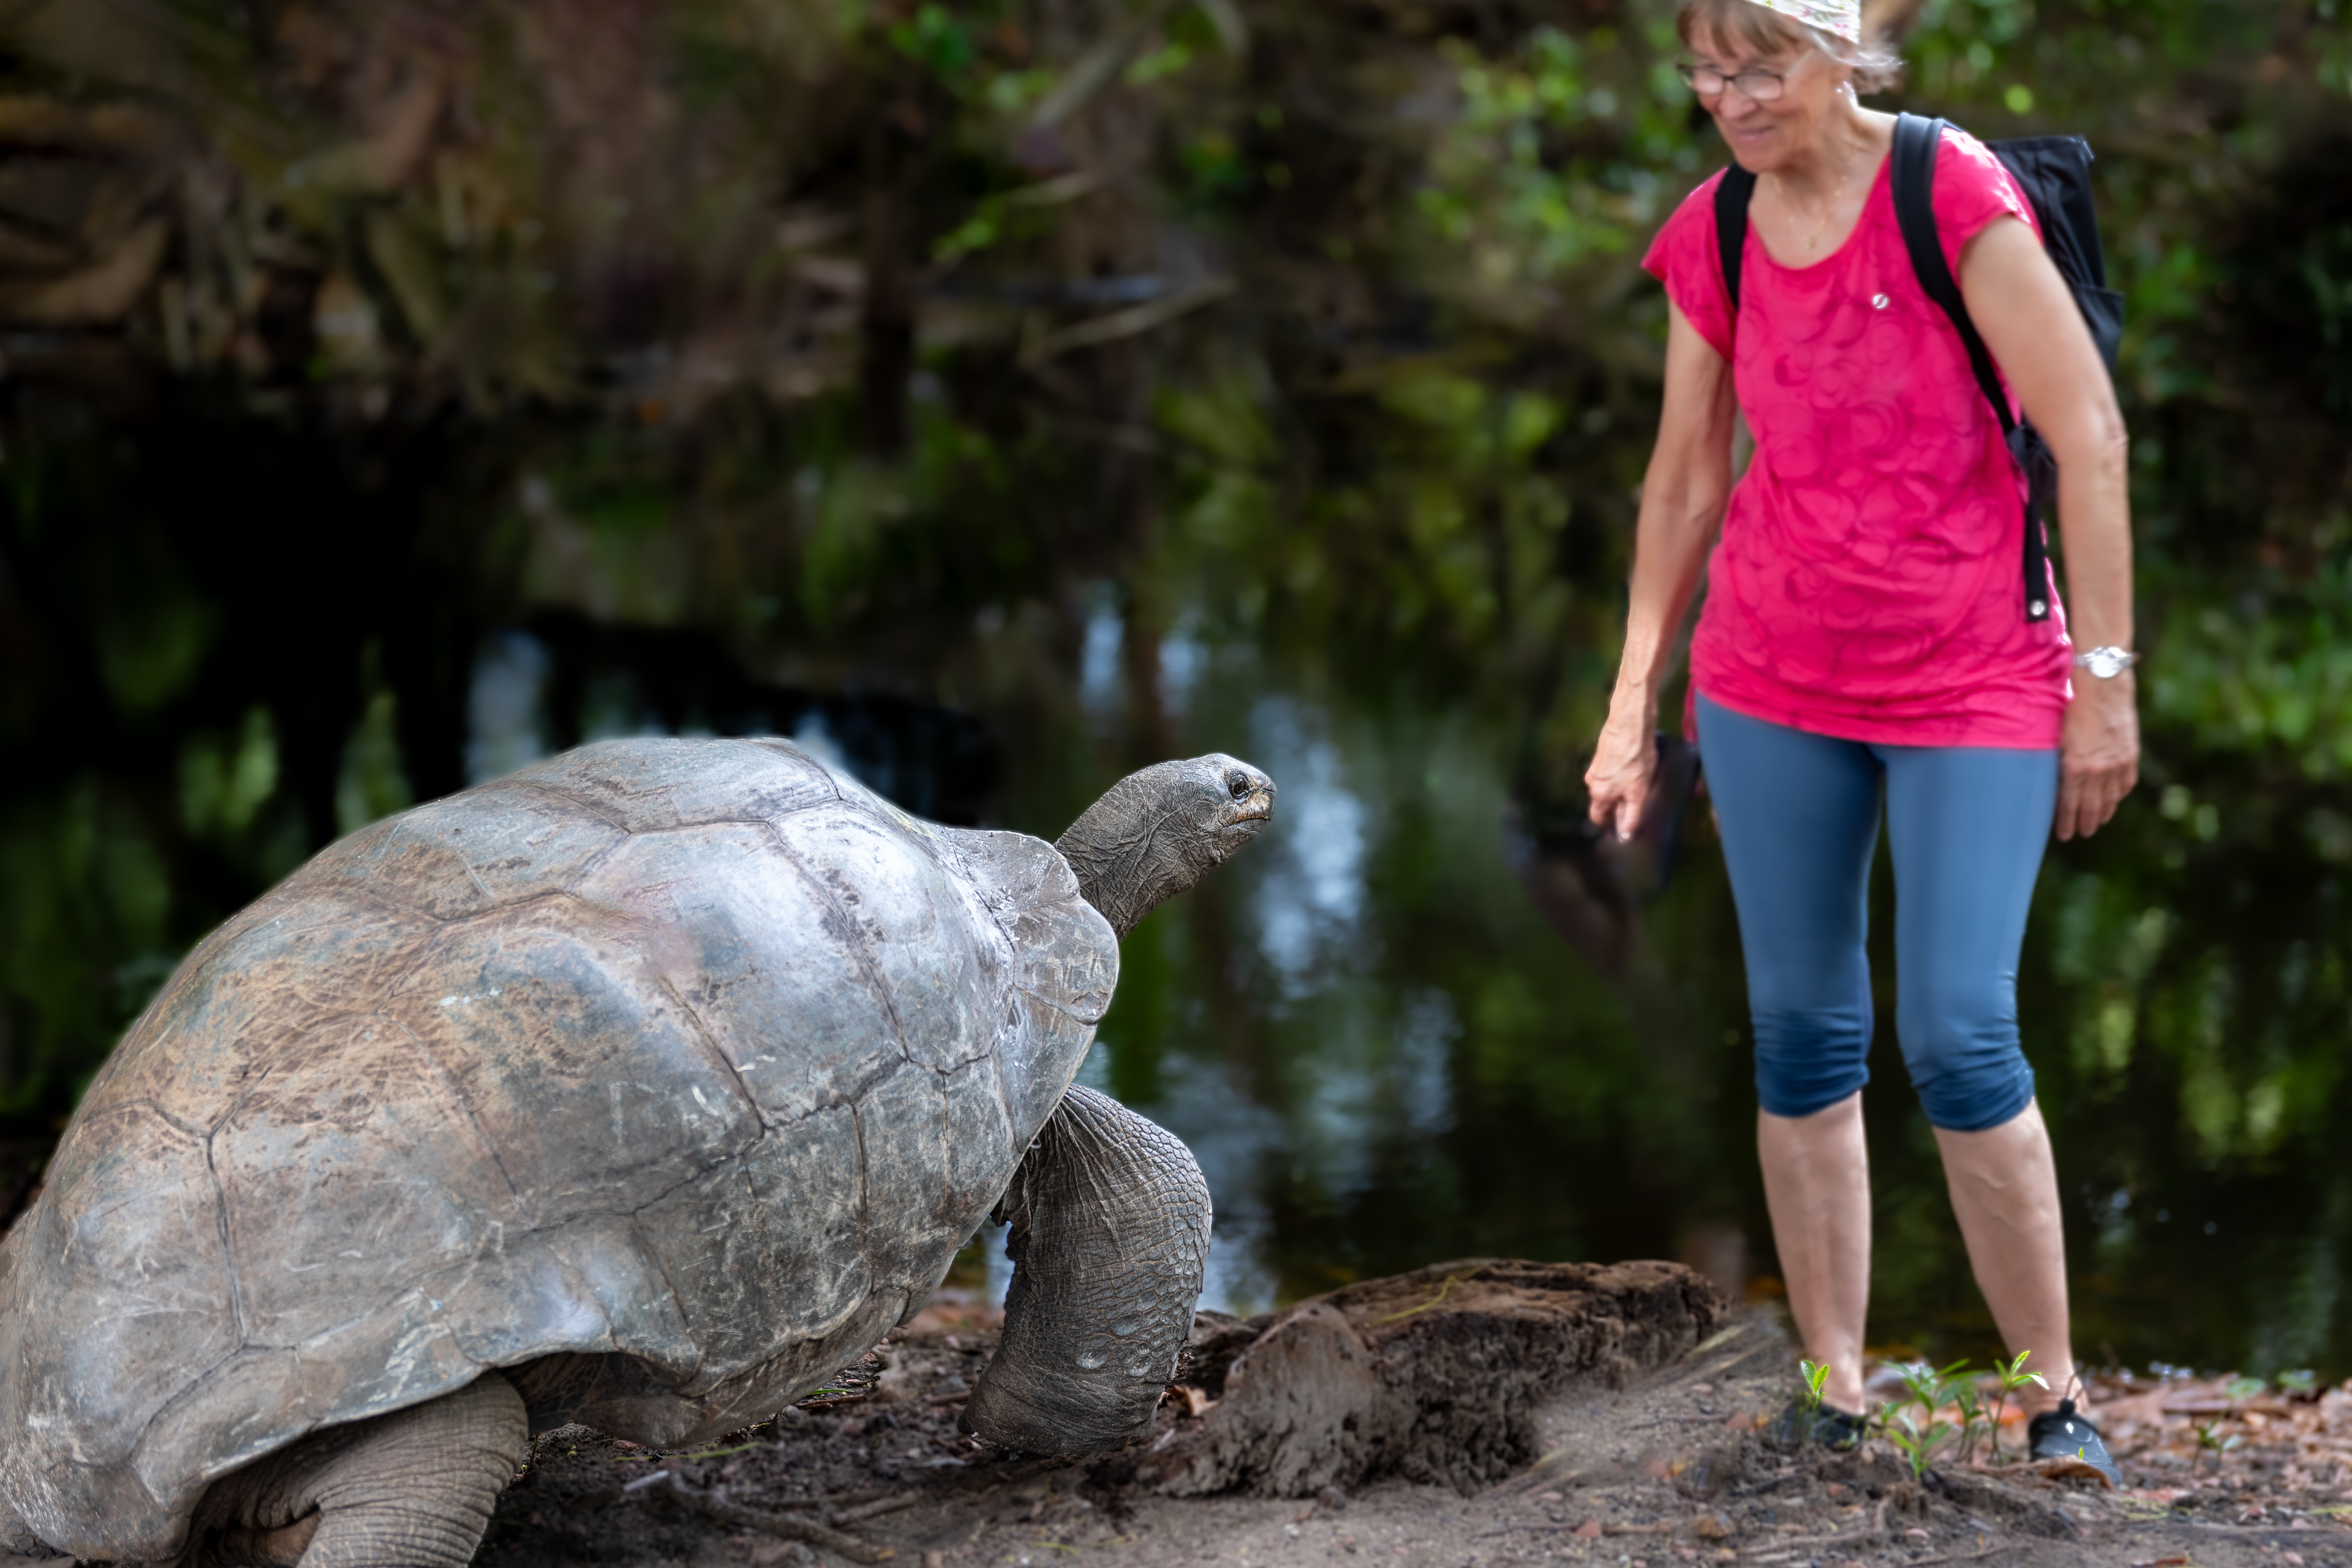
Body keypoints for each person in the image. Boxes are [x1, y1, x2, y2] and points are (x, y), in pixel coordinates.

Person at [1584, 0, 2137, 1480]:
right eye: (1706, 72)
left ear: (1839, 55)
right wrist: (1634, 695)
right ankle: (1836, 1386)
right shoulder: (1713, 229)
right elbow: (1683, 481)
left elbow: (2087, 434)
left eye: (1757, 65)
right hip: (1770, 674)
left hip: (1973, 674)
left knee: (1961, 1030)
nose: (1728, 98)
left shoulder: (1948, 191)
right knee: (1804, 1032)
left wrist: (2106, 676)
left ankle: (2054, 1396)